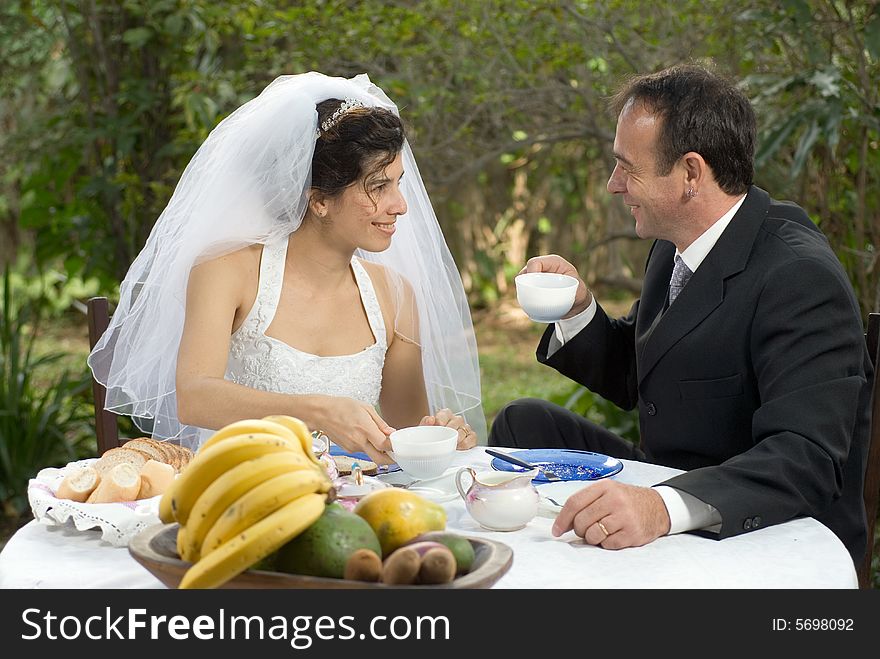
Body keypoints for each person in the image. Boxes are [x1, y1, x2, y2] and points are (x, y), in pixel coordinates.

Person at [489, 63, 872, 567]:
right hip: (664, 477)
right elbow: (647, 371)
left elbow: (806, 458)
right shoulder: (676, 246)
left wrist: (662, 506)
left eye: (628, 167)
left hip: (761, 528)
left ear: (691, 173)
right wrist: (580, 310)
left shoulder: (799, 276)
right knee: (525, 424)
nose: (612, 184)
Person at [88, 72, 486, 463]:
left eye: (398, 184)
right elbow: (194, 396)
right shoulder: (227, 270)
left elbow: (402, 431)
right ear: (318, 200)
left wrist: (441, 435)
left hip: (350, 501)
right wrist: (316, 412)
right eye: (379, 187)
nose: (400, 205)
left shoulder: (394, 295)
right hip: (239, 489)